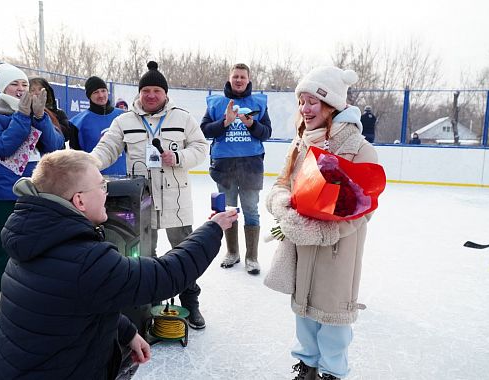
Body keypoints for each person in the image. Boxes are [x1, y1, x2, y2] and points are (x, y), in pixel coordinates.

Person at [0, 149, 237, 379]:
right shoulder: (84, 260)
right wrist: (213, 229)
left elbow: (78, 301)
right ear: (80, 201)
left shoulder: (30, 240)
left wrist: (127, 332)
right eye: (102, 186)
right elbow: (165, 276)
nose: (107, 192)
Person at [265, 66, 378, 380]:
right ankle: (308, 365)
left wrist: (323, 230)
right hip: (301, 247)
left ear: (333, 106)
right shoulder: (300, 143)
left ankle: (331, 371)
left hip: (336, 250)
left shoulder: (359, 149)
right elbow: (281, 184)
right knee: (304, 313)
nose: (305, 108)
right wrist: (284, 208)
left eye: (313, 101)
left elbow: (364, 207)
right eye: (301, 101)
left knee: (332, 319)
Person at [91, 61, 210, 329]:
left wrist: (178, 156)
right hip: (140, 201)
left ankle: (190, 301)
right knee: (145, 255)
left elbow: (201, 148)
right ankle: (150, 303)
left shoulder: (182, 118)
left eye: (157, 90)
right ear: (140, 93)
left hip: (176, 201)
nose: (151, 95)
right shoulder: (124, 121)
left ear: (165, 94)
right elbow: (106, 148)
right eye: (146, 90)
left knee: (185, 252)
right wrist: (88, 164)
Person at [0, 63, 64, 313]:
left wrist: (40, 118)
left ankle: (35, 284)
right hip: (4, 192)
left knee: (40, 240)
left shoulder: (38, 112)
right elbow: (1, 146)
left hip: (37, 189)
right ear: (3, 87)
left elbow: (55, 146)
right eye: (14, 84)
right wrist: (23, 116)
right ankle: (1, 288)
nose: (20, 89)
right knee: (4, 242)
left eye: (24, 84)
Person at [200, 63, 272, 275]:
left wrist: (252, 125)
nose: (239, 80)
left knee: (250, 210)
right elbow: (205, 131)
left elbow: (266, 133)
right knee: (228, 211)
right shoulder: (216, 103)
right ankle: (232, 253)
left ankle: (252, 257)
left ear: (248, 80)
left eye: (242, 77)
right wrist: (225, 121)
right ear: (230, 78)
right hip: (225, 168)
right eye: (235, 76)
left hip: (251, 167)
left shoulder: (258, 102)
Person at [69, 76, 126, 175]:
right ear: (89, 96)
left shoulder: (123, 116)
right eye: (95, 92)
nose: (101, 95)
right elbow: (76, 160)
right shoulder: (77, 123)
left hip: (125, 178)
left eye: (103, 90)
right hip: (94, 180)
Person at [29, 77, 72, 141]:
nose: (37, 92)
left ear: (48, 92)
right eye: (32, 90)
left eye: (40, 89)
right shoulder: (24, 113)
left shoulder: (59, 113)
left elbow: (66, 135)